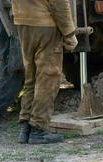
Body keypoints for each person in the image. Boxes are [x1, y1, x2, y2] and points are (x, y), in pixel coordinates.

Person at [12, 0, 78, 144]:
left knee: (31, 77)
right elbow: (60, 3)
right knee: (48, 79)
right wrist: (69, 33)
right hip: (45, 24)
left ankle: (26, 128)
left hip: (22, 21)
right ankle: (38, 129)